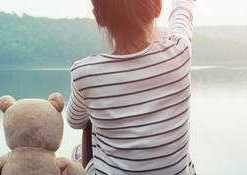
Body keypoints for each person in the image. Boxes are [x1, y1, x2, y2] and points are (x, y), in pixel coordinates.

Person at [66, 0, 196, 174]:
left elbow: (75, 121)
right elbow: (182, 11)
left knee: (83, 141)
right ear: (158, 7)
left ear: (99, 17)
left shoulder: (85, 73)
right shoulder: (179, 53)